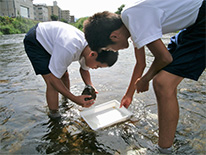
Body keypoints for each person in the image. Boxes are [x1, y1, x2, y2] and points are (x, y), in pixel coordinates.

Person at [83, 0, 205, 153]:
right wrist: (129, 95)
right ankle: (167, 128)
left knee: (162, 83)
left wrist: (146, 80)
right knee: (164, 81)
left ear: (114, 36)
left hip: (202, 18)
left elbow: (165, 58)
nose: (113, 51)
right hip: (194, 24)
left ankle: (164, 150)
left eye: (108, 48)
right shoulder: (130, 22)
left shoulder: (134, 17)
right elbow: (140, 64)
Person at [23, 21, 118, 119]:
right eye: (97, 66)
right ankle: (54, 115)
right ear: (93, 54)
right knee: (51, 83)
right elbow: (53, 79)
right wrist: (75, 99)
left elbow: (84, 70)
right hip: (36, 40)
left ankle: (65, 102)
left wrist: (90, 86)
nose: (95, 68)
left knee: (65, 75)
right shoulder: (69, 47)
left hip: (54, 41)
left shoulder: (89, 48)